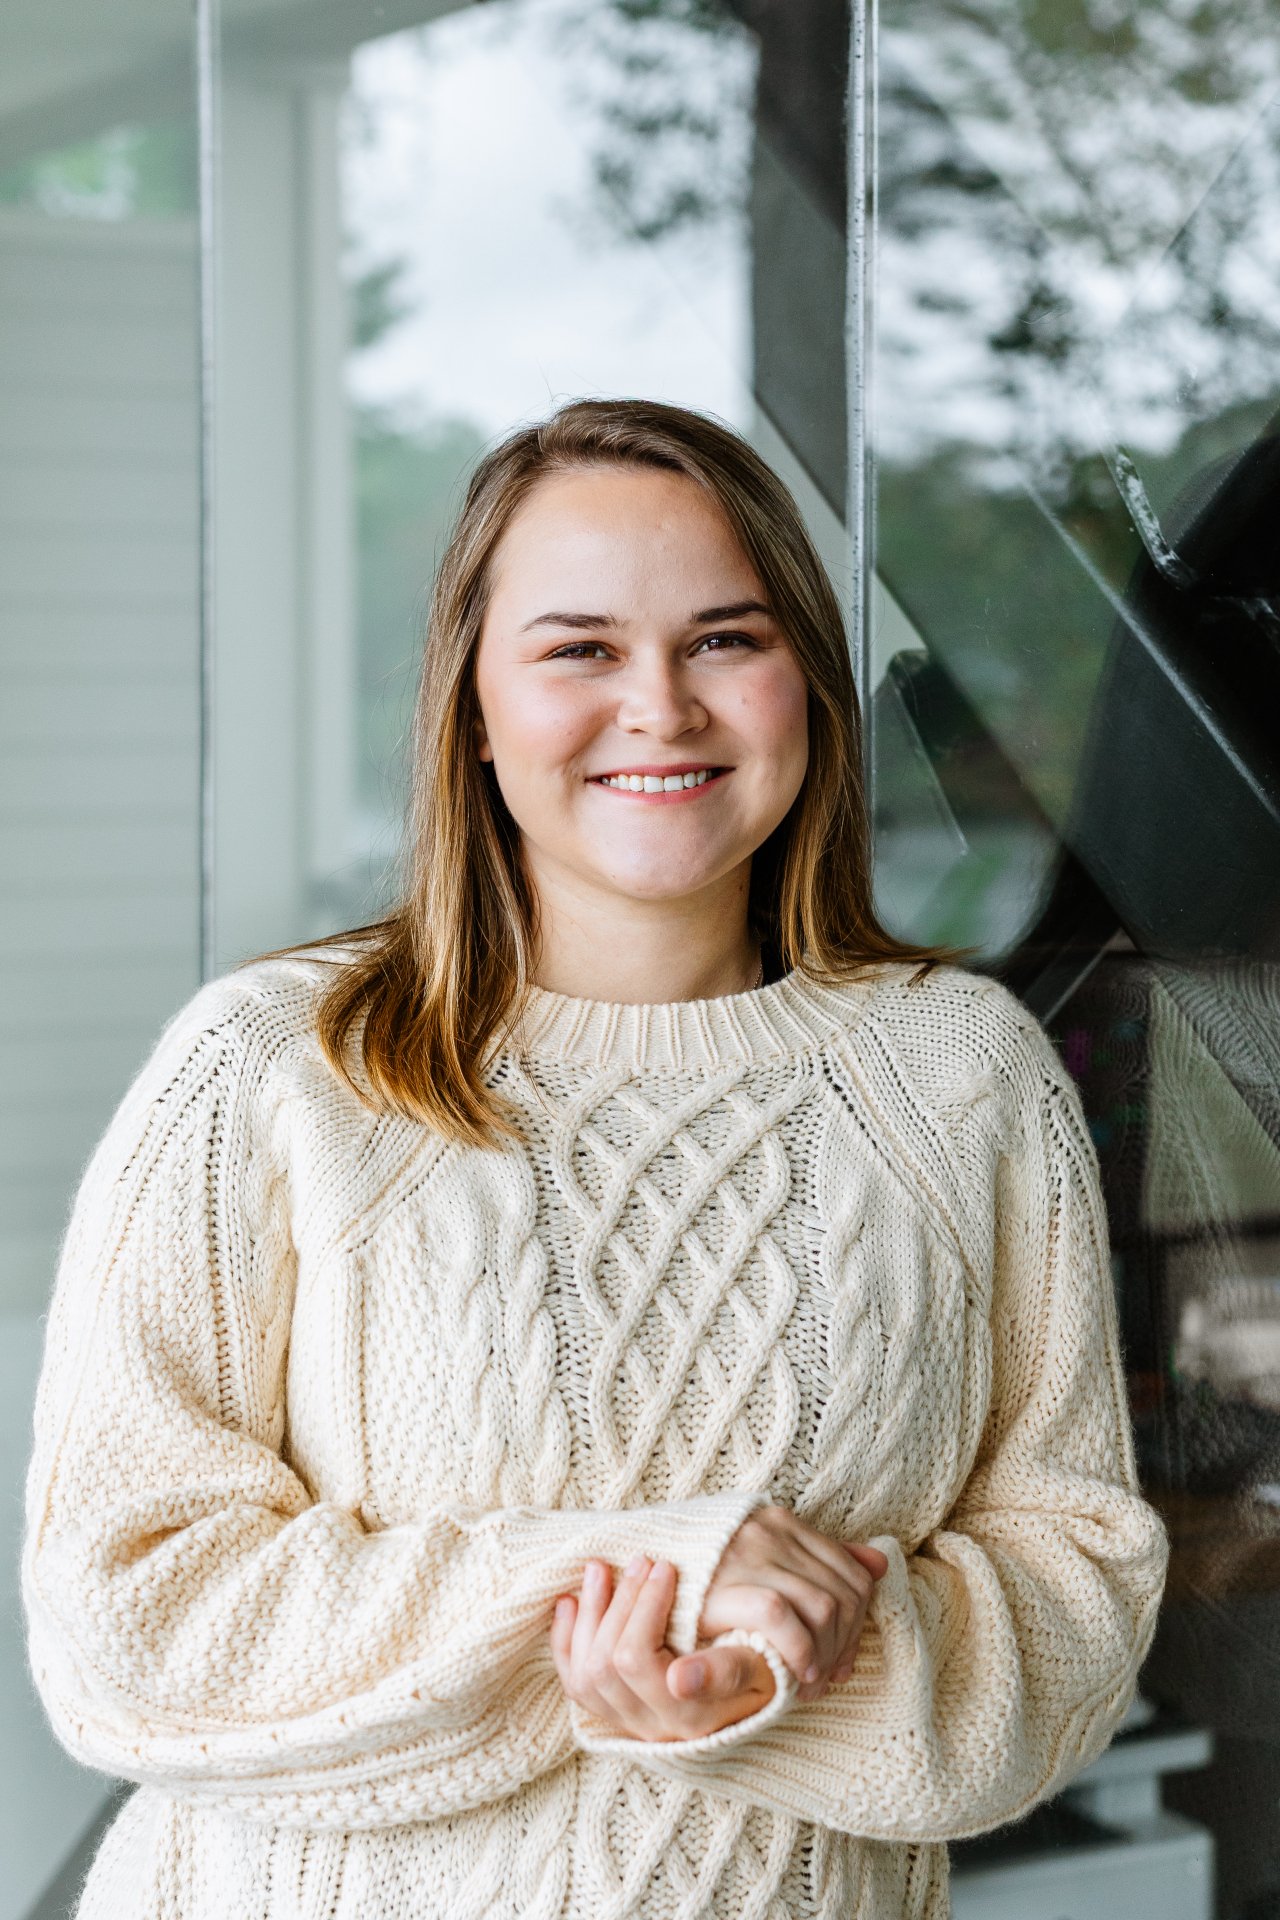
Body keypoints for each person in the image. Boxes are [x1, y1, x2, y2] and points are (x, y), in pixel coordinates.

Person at [22, 397, 1169, 1919]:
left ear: (808, 690)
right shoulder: (278, 1071)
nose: (662, 708)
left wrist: (779, 1672)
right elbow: (127, 1622)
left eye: (725, 639)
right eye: (580, 649)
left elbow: (1075, 1584)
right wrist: (660, 1570)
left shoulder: (964, 1078)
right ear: (474, 707)